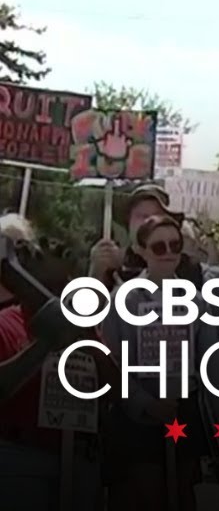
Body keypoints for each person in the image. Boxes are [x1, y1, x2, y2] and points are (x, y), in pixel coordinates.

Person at [101, 214, 219, 511]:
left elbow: (211, 364)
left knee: (183, 493)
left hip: (184, 409)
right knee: (149, 496)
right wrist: (145, 403)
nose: (169, 253)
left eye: (175, 245)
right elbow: (112, 364)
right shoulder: (122, 300)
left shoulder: (197, 300)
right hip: (140, 417)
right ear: (141, 250)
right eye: (159, 247)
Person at [0, 215, 116, 511]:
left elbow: (115, 387)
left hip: (79, 461)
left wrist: (80, 330)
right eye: (40, 247)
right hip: (21, 463)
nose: (49, 247)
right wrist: (44, 344)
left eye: (59, 250)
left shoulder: (83, 325)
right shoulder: (5, 323)